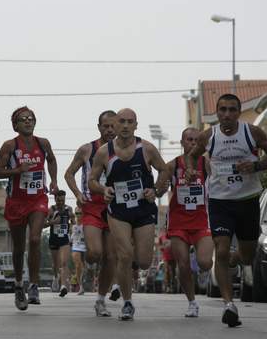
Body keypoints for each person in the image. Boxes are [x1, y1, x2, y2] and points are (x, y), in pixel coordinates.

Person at [185, 94, 267, 327]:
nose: (227, 115)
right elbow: (192, 156)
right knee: (222, 247)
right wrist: (190, 171)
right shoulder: (209, 136)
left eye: (231, 110)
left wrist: (256, 165)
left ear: (238, 112)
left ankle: (234, 259)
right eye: (222, 110)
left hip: (247, 199)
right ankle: (229, 305)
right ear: (217, 113)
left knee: (247, 256)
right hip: (220, 201)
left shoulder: (251, 133)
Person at [89, 108, 169, 321]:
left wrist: (157, 190)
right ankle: (127, 302)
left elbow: (164, 170)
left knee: (143, 261)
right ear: (114, 125)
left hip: (143, 209)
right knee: (124, 255)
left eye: (129, 122)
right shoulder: (104, 152)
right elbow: (92, 180)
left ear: (136, 125)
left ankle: (127, 276)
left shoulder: (147, 149)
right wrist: (103, 189)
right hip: (118, 210)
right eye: (121, 121)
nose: (125, 126)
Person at [0, 106, 58, 311]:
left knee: (36, 239)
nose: (28, 121)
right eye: (23, 119)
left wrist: (54, 181)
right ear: (15, 125)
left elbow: (52, 159)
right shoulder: (10, 146)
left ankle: (34, 286)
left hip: (37, 198)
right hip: (16, 201)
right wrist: (17, 170)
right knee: (19, 247)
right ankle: (19, 284)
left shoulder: (43, 143)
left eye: (31, 118)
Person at [64, 110, 118, 317]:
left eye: (113, 125)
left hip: (115, 206)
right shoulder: (87, 149)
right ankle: (90, 264)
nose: (110, 130)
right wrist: (77, 193)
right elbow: (69, 173)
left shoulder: (124, 149)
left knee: (111, 256)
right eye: (106, 126)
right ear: (99, 128)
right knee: (95, 253)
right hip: (92, 206)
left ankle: (101, 300)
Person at [166, 127, 213, 317]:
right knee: (183, 264)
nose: (193, 143)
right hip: (178, 221)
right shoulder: (173, 165)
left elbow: (219, 185)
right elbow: (160, 187)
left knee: (205, 262)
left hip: (202, 219)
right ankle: (192, 302)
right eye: (189, 139)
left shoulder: (206, 164)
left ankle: (203, 272)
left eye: (196, 140)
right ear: (182, 142)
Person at [46, 190, 75, 297]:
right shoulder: (51, 209)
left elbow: (73, 223)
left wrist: (72, 218)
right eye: (58, 200)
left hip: (64, 239)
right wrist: (53, 222)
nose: (60, 202)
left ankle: (63, 286)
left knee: (64, 263)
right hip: (54, 239)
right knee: (55, 265)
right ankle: (55, 277)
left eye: (62, 200)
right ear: (55, 199)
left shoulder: (69, 209)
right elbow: (44, 224)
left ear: (64, 199)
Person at [70, 207, 86, 295]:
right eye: (77, 213)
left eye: (80, 213)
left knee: (88, 267)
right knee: (77, 265)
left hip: (87, 245)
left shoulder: (87, 224)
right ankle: (80, 286)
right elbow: (71, 236)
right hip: (76, 245)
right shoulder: (73, 225)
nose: (78, 215)